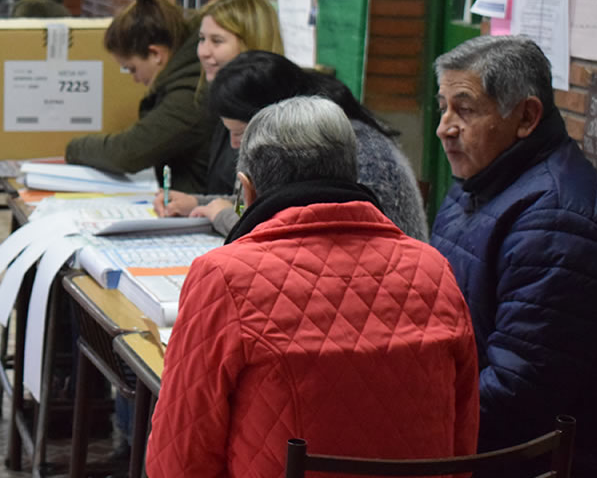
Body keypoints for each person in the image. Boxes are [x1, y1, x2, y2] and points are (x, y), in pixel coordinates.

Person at [147, 96, 478, 478]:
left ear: (247, 190)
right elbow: (462, 436)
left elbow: (178, 461)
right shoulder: (432, 267)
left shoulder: (224, 276)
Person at [431, 35, 597, 477]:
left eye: (466, 109)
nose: (444, 127)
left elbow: (518, 395)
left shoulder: (559, 223)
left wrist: (416, 421)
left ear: (526, 117)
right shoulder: (484, 179)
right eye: (443, 107)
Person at [191, 52, 428, 240]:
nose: (235, 145)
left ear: (272, 112)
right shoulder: (301, 134)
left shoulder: (329, 146)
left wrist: (221, 215)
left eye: (241, 133)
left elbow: (295, 232)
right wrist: (199, 204)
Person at [65, 0, 213, 192]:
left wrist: (73, 149)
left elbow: (127, 152)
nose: (136, 79)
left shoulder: (190, 94)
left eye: (132, 68)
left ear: (155, 54)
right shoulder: (187, 76)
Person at [154, 0, 286, 212]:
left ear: (251, 44)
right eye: (202, 39)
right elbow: (237, 198)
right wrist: (196, 203)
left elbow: (266, 211)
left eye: (217, 41)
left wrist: (220, 214)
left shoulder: (279, 119)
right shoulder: (222, 103)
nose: (203, 52)